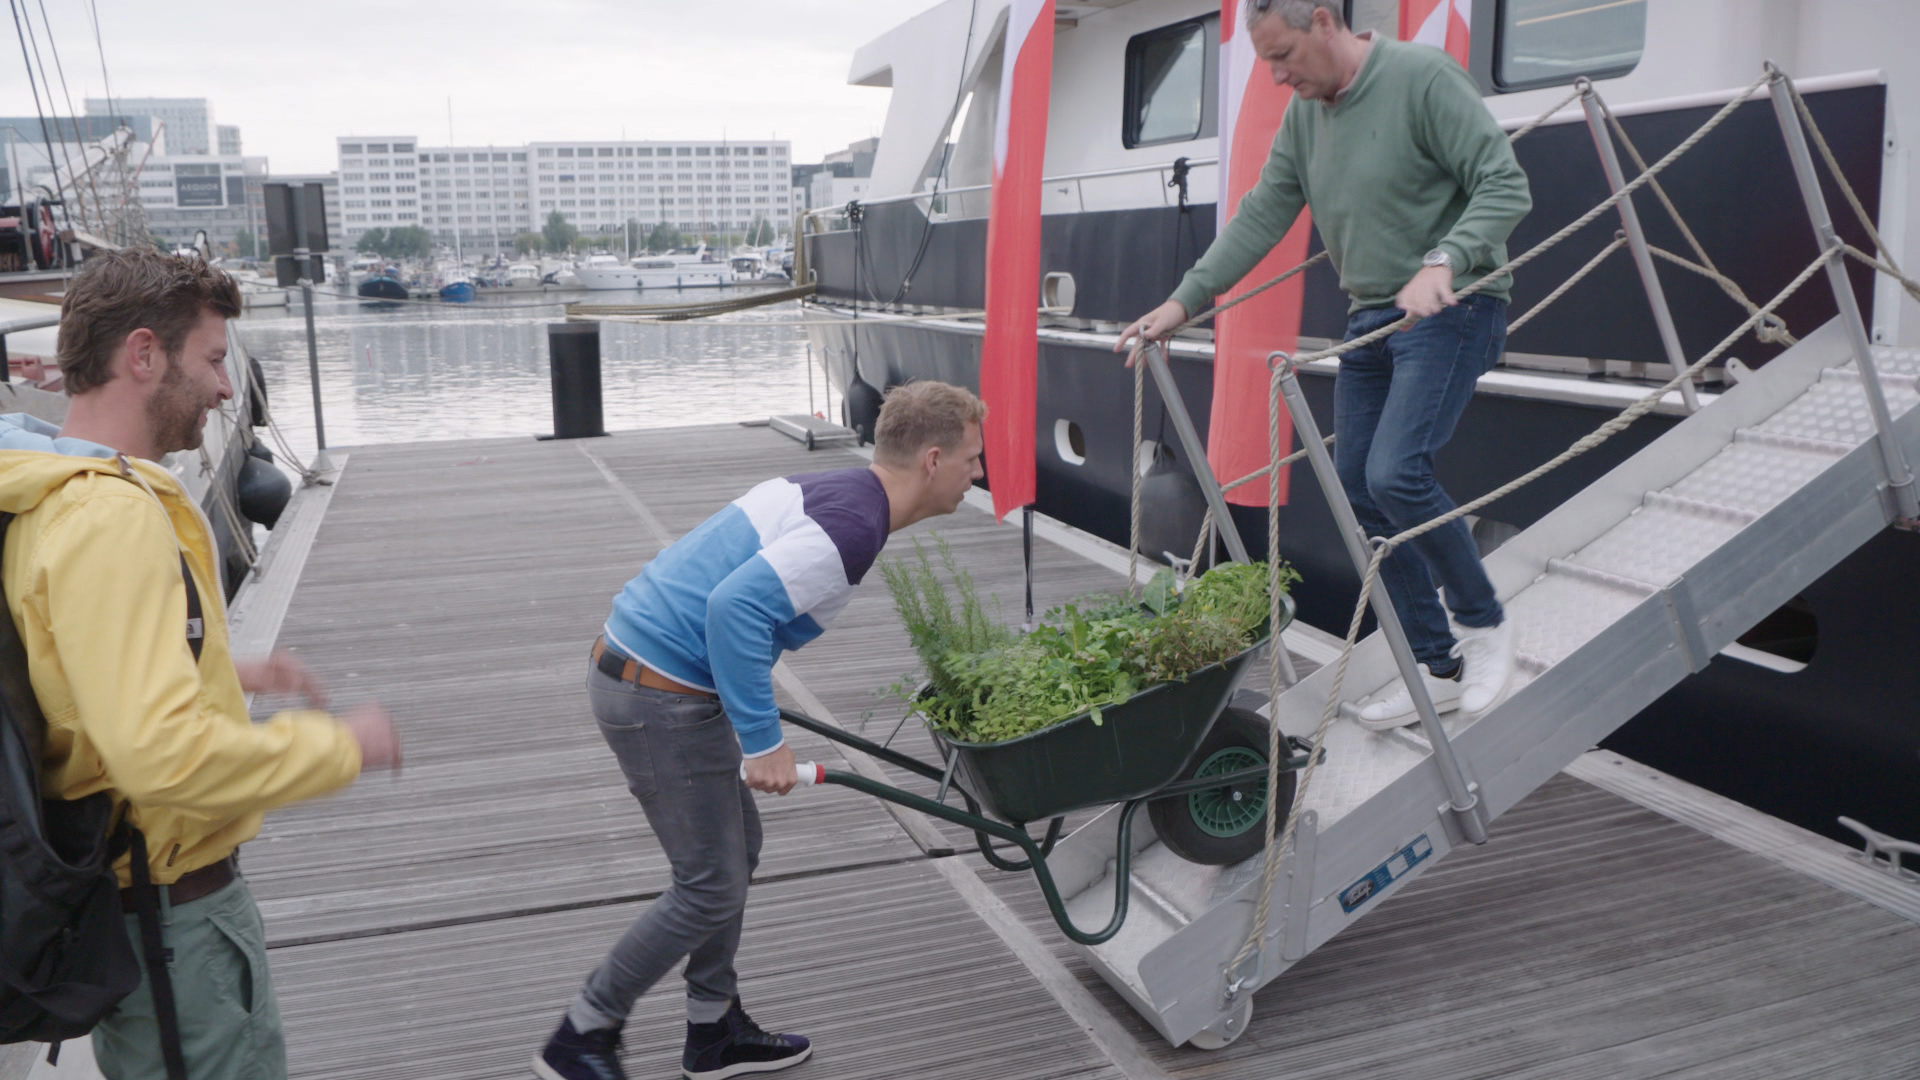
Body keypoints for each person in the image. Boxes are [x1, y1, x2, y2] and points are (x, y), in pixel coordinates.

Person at [0, 248, 401, 1079]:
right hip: (172, 925)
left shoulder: (52, 492)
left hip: (147, 914)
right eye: (214, 360)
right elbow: (162, 757)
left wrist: (222, 666)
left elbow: (73, 674)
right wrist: (342, 748)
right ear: (143, 355)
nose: (226, 390)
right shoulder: (110, 516)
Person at [533, 381, 987, 1080]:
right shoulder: (854, 525)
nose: (977, 474)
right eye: (972, 459)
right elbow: (732, 611)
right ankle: (582, 1035)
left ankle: (712, 1029)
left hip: (659, 674)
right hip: (656, 692)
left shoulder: (842, 492)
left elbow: (734, 605)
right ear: (933, 459)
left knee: (736, 852)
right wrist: (762, 740)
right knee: (710, 882)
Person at [1117, 0, 1531, 729]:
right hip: (1370, 316)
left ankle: (1486, 625)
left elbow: (1505, 184)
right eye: (1267, 63)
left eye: (1284, 57)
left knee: (1395, 473)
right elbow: (1259, 218)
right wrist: (1181, 304)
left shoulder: (1421, 78)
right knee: (1357, 494)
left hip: (1454, 306)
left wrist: (1446, 261)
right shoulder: (1305, 119)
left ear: (1324, 22)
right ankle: (1435, 665)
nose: (1277, 78)